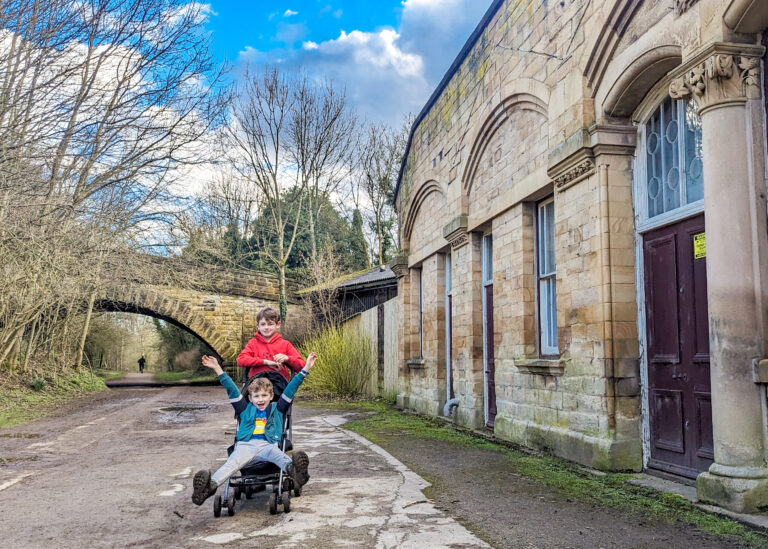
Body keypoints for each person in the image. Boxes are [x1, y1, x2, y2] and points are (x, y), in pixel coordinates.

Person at [191, 352, 316, 506]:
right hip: (246, 446)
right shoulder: (244, 409)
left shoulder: (277, 409)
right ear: (250, 398)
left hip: (268, 446)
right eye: (256, 396)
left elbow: (291, 389)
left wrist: (306, 368)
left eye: (264, 395)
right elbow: (231, 389)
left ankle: (297, 472)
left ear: (271, 396)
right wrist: (217, 368)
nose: (260, 399)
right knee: (231, 464)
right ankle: (208, 487)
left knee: (279, 455)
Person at [237, 307, 305, 391]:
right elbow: (241, 360)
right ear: (258, 326)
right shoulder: (253, 343)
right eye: (263, 324)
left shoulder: (285, 344)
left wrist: (288, 358)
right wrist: (265, 362)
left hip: (279, 388)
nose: (266, 327)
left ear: (278, 324)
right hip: (257, 390)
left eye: (270, 324)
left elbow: (301, 366)